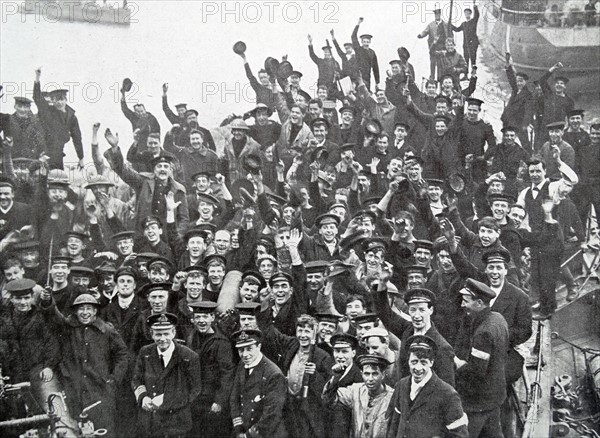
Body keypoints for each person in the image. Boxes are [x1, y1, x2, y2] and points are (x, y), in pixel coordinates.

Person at [39, 292, 130, 437]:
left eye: (89, 308)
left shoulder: (106, 330)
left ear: (95, 311)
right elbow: (54, 317)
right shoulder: (68, 327)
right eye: (81, 309)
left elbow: (122, 354)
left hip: (101, 392)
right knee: (77, 429)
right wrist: (48, 301)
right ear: (75, 311)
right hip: (74, 391)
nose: (85, 313)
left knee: (104, 430)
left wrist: (114, 379)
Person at [132, 312, 202, 438]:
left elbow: (195, 390)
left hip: (176, 423)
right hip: (150, 421)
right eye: (158, 334)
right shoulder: (145, 352)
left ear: (173, 333)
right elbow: (137, 379)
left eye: (166, 334)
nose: (162, 339)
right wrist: (143, 398)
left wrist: (167, 400)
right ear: (152, 334)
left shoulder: (188, 356)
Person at [454, 278, 509, 438]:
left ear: (479, 303)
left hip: (478, 402)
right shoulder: (498, 318)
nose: (462, 305)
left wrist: (458, 364)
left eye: (466, 301)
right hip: (495, 395)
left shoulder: (484, 333)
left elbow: (476, 372)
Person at [386, 335, 469, 438]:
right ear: (408, 361)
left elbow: (460, 435)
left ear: (431, 362)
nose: (418, 368)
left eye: (423, 362)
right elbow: (394, 425)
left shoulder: (448, 394)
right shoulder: (401, 385)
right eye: (414, 362)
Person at [186, 301, 235, 437]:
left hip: (211, 400)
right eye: (198, 317)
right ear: (193, 319)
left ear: (212, 318)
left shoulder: (221, 342)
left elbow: (227, 374)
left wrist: (219, 401)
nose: (201, 321)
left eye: (205, 317)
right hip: (193, 398)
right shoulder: (191, 338)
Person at [229, 328, 288, 438]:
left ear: (259, 347)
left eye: (249, 349)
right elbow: (234, 398)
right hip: (244, 430)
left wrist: (248, 435)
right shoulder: (242, 365)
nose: (245, 355)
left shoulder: (274, 374)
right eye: (241, 350)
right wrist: (238, 429)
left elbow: (272, 415)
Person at [323, 354, 393, 438]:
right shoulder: (355, 390)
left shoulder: (392, 397)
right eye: (367, 374)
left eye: (375, 374)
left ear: (383, 374)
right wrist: (335, 378)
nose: (370, 379)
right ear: (361, 374)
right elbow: (328, 399)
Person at [33, 68, 84, 170]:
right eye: (56, 100)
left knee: (58, 180)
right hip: (44, 153)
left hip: (58, 155)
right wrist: (37, 78)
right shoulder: (48, 112)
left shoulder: (72, 117)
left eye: (61, 99)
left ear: (66, 100)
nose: (59, 103)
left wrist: (81, 157)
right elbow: (37, 97)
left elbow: (77, 138)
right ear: (52, 101)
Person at [418, 7, 449, 80]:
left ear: (440, 15)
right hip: (433, 48)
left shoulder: (445, 24)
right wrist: (421, 35)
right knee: (432, 63)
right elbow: (425, 31)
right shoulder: (431, 25)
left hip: (442, 48)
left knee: (440, 64)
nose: (437, 16)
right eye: (435, 15)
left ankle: (439, 78)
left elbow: (449, 34)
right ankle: (432, 77)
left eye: (438, 14)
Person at [352, 17, 380, 90]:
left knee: (366, 96)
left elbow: (375, 68)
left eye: (367, 42)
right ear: (361, 42)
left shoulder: (372, 52)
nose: (366, 43)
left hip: (367, 77)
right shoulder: (358, 49)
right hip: (358, 76)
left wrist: (377, 82)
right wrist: (358, 24)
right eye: (364, 42)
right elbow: (353, 37)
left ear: (370, 42)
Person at [451, 1, 480, 69]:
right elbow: (457, 29)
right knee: (466, 60)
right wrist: (450, 25)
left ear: (470, 14)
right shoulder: (464, 24)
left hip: (473, 44)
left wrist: (475, 7)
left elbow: (477, 15)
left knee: (473, 60)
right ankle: (466, 75)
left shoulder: (473, 21)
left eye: (468, 13)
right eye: (465, 13)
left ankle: (473, 75)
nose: (467, 15)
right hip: (466, 44)